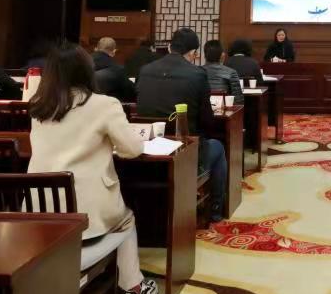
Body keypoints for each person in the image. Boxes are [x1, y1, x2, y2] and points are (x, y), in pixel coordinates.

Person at [26, 43, 159, 294]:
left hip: (39, 214)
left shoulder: (39, 106)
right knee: (126, 219)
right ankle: (134, 288)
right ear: (87, 71)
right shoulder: (104, 104)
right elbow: (132, 149)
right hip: (86, 217)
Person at [136, 28, 228, 221]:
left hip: (146, 151)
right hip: (184, 152)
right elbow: (207, 121)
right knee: (218, 147)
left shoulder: (145, 70)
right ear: (194, 53)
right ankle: (215, 211)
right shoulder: (197, 74)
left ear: (170, 47)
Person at [92, 37, 136, 102]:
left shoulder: (84, 63)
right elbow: (130, 91)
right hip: (107, 104)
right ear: (114, 51)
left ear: (96, 49)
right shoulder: (117, 69)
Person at [201, 40, 244, 104]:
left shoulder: (196, 71)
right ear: (222, 55)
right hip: (224, 108)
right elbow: (238, 100)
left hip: (201, 109)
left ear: (205, 55)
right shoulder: (231, 72)